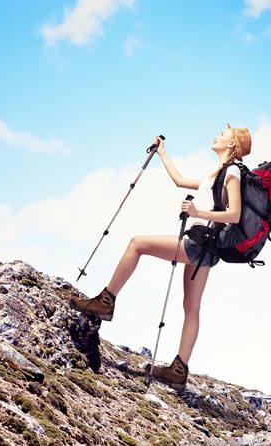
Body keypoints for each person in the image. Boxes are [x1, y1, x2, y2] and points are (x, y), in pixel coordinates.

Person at [68, 123, 252, 392]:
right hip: (206, 249)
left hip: (200, 245)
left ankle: (105, 301)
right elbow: (179, 181)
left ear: (232, 144)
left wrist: (197, 212)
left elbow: (234, 214)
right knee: (191, 307)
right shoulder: (218, 173)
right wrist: (162, 152)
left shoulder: (232, 172)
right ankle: (179, 370)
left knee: (137, 244)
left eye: (223, 134)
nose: (217, 135)